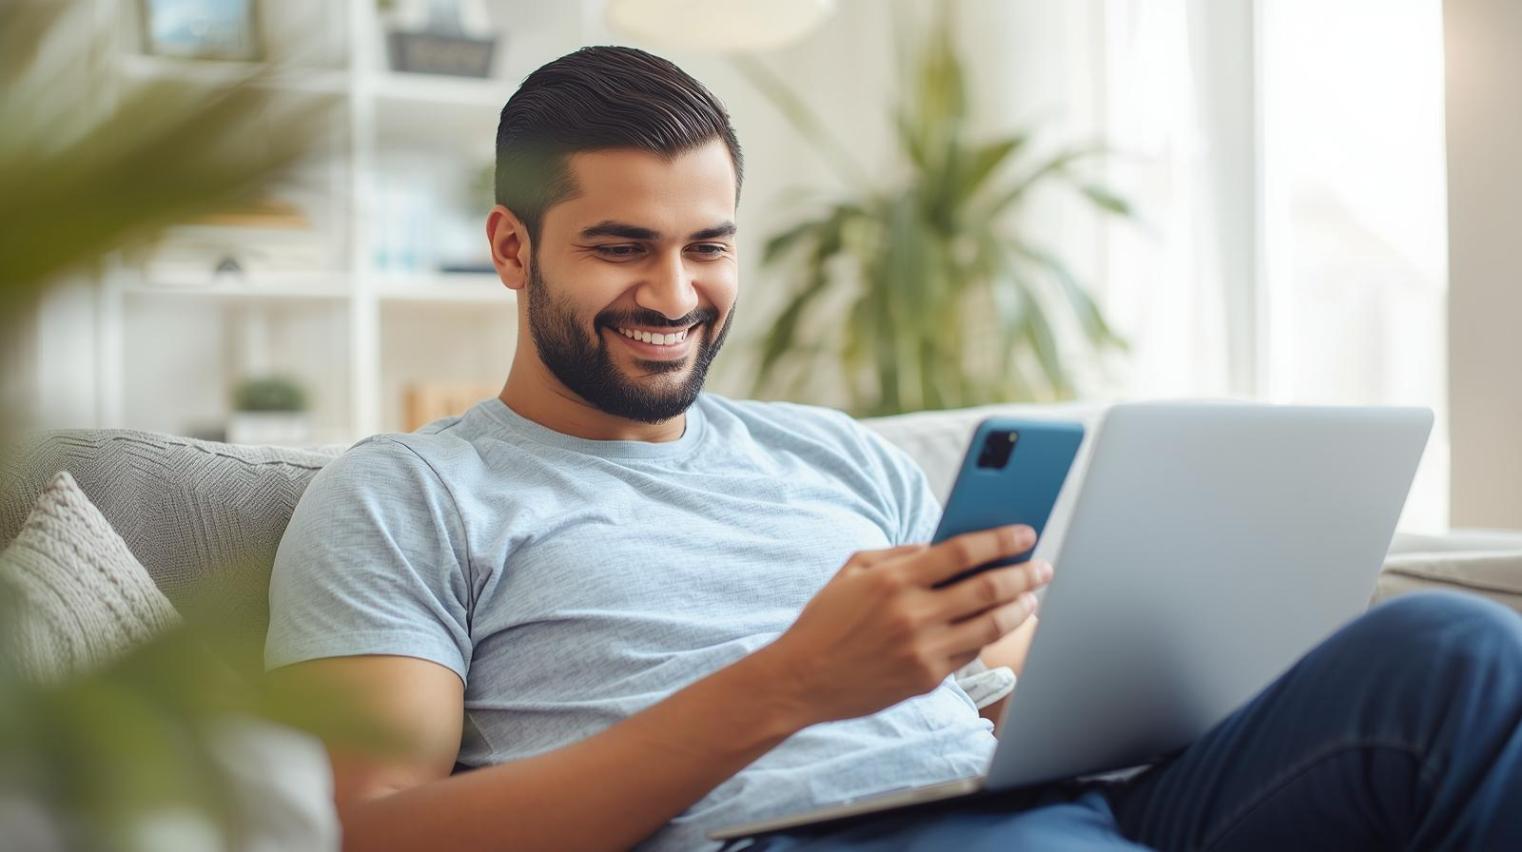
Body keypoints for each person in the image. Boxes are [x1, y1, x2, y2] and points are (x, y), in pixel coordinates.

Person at [265, 46, 1522, 851]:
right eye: (619, 246)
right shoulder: (406, 492)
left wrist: (1157, 663)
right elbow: (385, 831)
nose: (674, 290)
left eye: (707, 245)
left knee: (1456, 651)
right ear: (511, 248)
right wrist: (794, 684)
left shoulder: (838, 457)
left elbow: (1008, 696)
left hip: (1043, 799)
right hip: (812, 836)